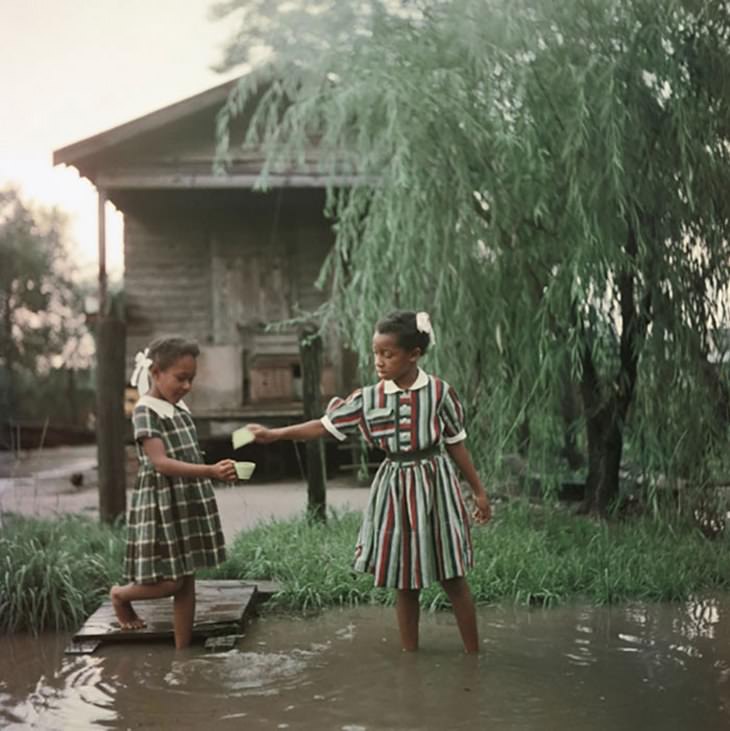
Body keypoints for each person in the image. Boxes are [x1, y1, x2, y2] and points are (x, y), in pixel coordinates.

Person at [247, 310, 492, 653]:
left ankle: (473, 654)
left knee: (452, 575)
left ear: (414, 355)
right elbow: (323, 426)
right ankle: (411, 657)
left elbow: (456, 444)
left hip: (436, 485)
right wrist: (275, 434)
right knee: (405, 580)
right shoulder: (368, 398)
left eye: (387, 354)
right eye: (375, 353)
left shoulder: (439, 393)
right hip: (395, 488)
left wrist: (479, 492)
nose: (378, 361)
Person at [110, 336, 237, 649]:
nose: (187, 386)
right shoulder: (144, 410)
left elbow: (188, 452)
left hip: (186, 498)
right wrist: (209, 472)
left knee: (187, 579)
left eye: (191, 379)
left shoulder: (178, 406)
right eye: (180, 378)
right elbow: (161, 462)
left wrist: (218, 469)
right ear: (155, 372)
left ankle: (183, 651)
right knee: (171, 580)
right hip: (161, 501)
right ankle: (120, 595)